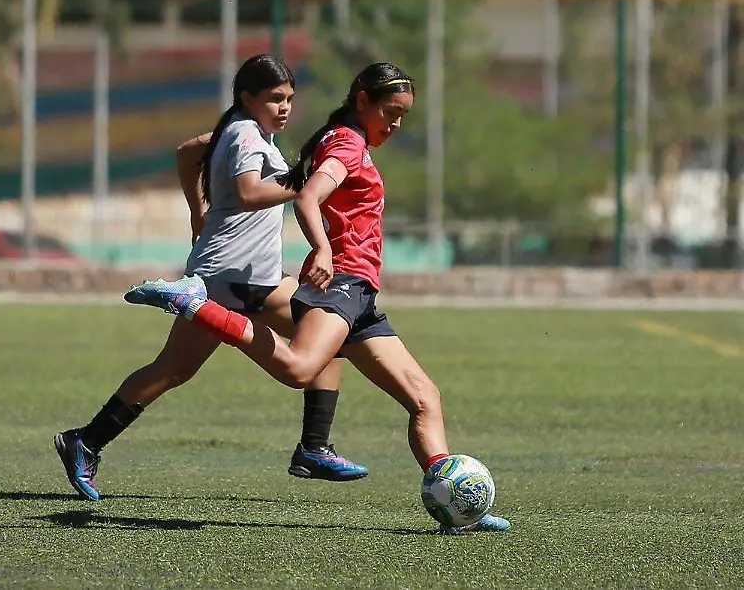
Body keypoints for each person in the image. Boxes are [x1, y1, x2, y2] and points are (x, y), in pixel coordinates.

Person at [123, 62, 510, 534]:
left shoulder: (350, 141)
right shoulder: (346, 144)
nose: (395, 124)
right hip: (341, 281)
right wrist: (324, 248)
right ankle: (199, 306)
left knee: (425, 398)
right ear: (362, 101)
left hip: (360, 295)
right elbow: (307, 197)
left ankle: (459, 507)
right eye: (390, 112)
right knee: (301, 369)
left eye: (403, 116)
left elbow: (201, 154)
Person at [55, 55, 367, 502]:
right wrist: (305, 181)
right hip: (221, 279)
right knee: (172, 370)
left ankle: (314, 447)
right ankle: (84, 442)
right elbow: (247, 193)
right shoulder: (242, 132)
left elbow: (187, 153)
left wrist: (197, 209)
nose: (284, 108)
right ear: (247, 99)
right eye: (274, 99)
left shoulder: (246, 130)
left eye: (290, 99)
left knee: (328, 336)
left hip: (260, 279)